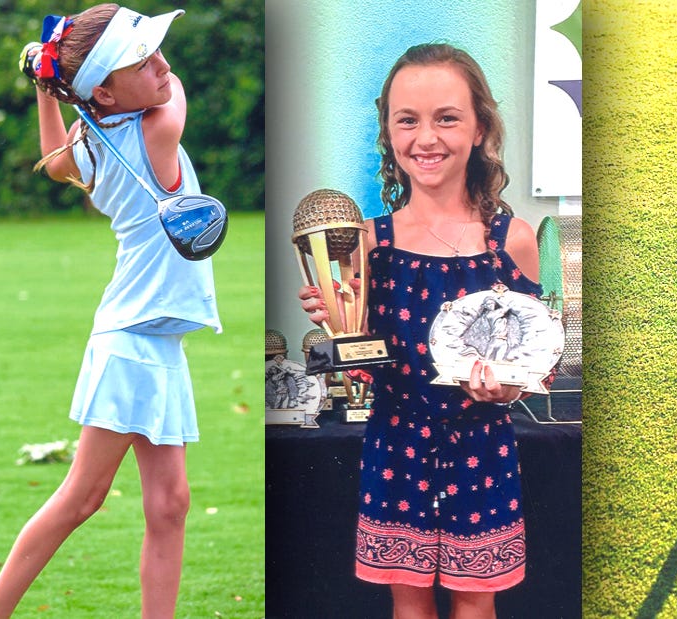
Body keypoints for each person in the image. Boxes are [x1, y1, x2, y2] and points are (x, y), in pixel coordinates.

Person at [0, 5, 221, 618]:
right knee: (82, 498)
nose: (163, 65)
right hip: (132, 340)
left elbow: (52, 162)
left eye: (157, 53)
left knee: (171, 502)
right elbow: (173, 93)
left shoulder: (93, 141)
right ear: (103, 89)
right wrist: (69, 82)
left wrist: (55, 92)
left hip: (155, 338)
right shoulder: (155, 132)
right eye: (143, 60)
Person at [298, 43, 541, 619]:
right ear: (389, 131)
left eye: (447, 118)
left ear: (480, 128)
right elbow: (360, 369)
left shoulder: (512, 240)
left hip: (483, 449)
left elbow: (530, 360)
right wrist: (336, 327)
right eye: (407, 120)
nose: (425, 138)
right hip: (395, 445)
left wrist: (507, 388)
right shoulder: (366, 241)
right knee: (409, 607)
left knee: (475, 605)